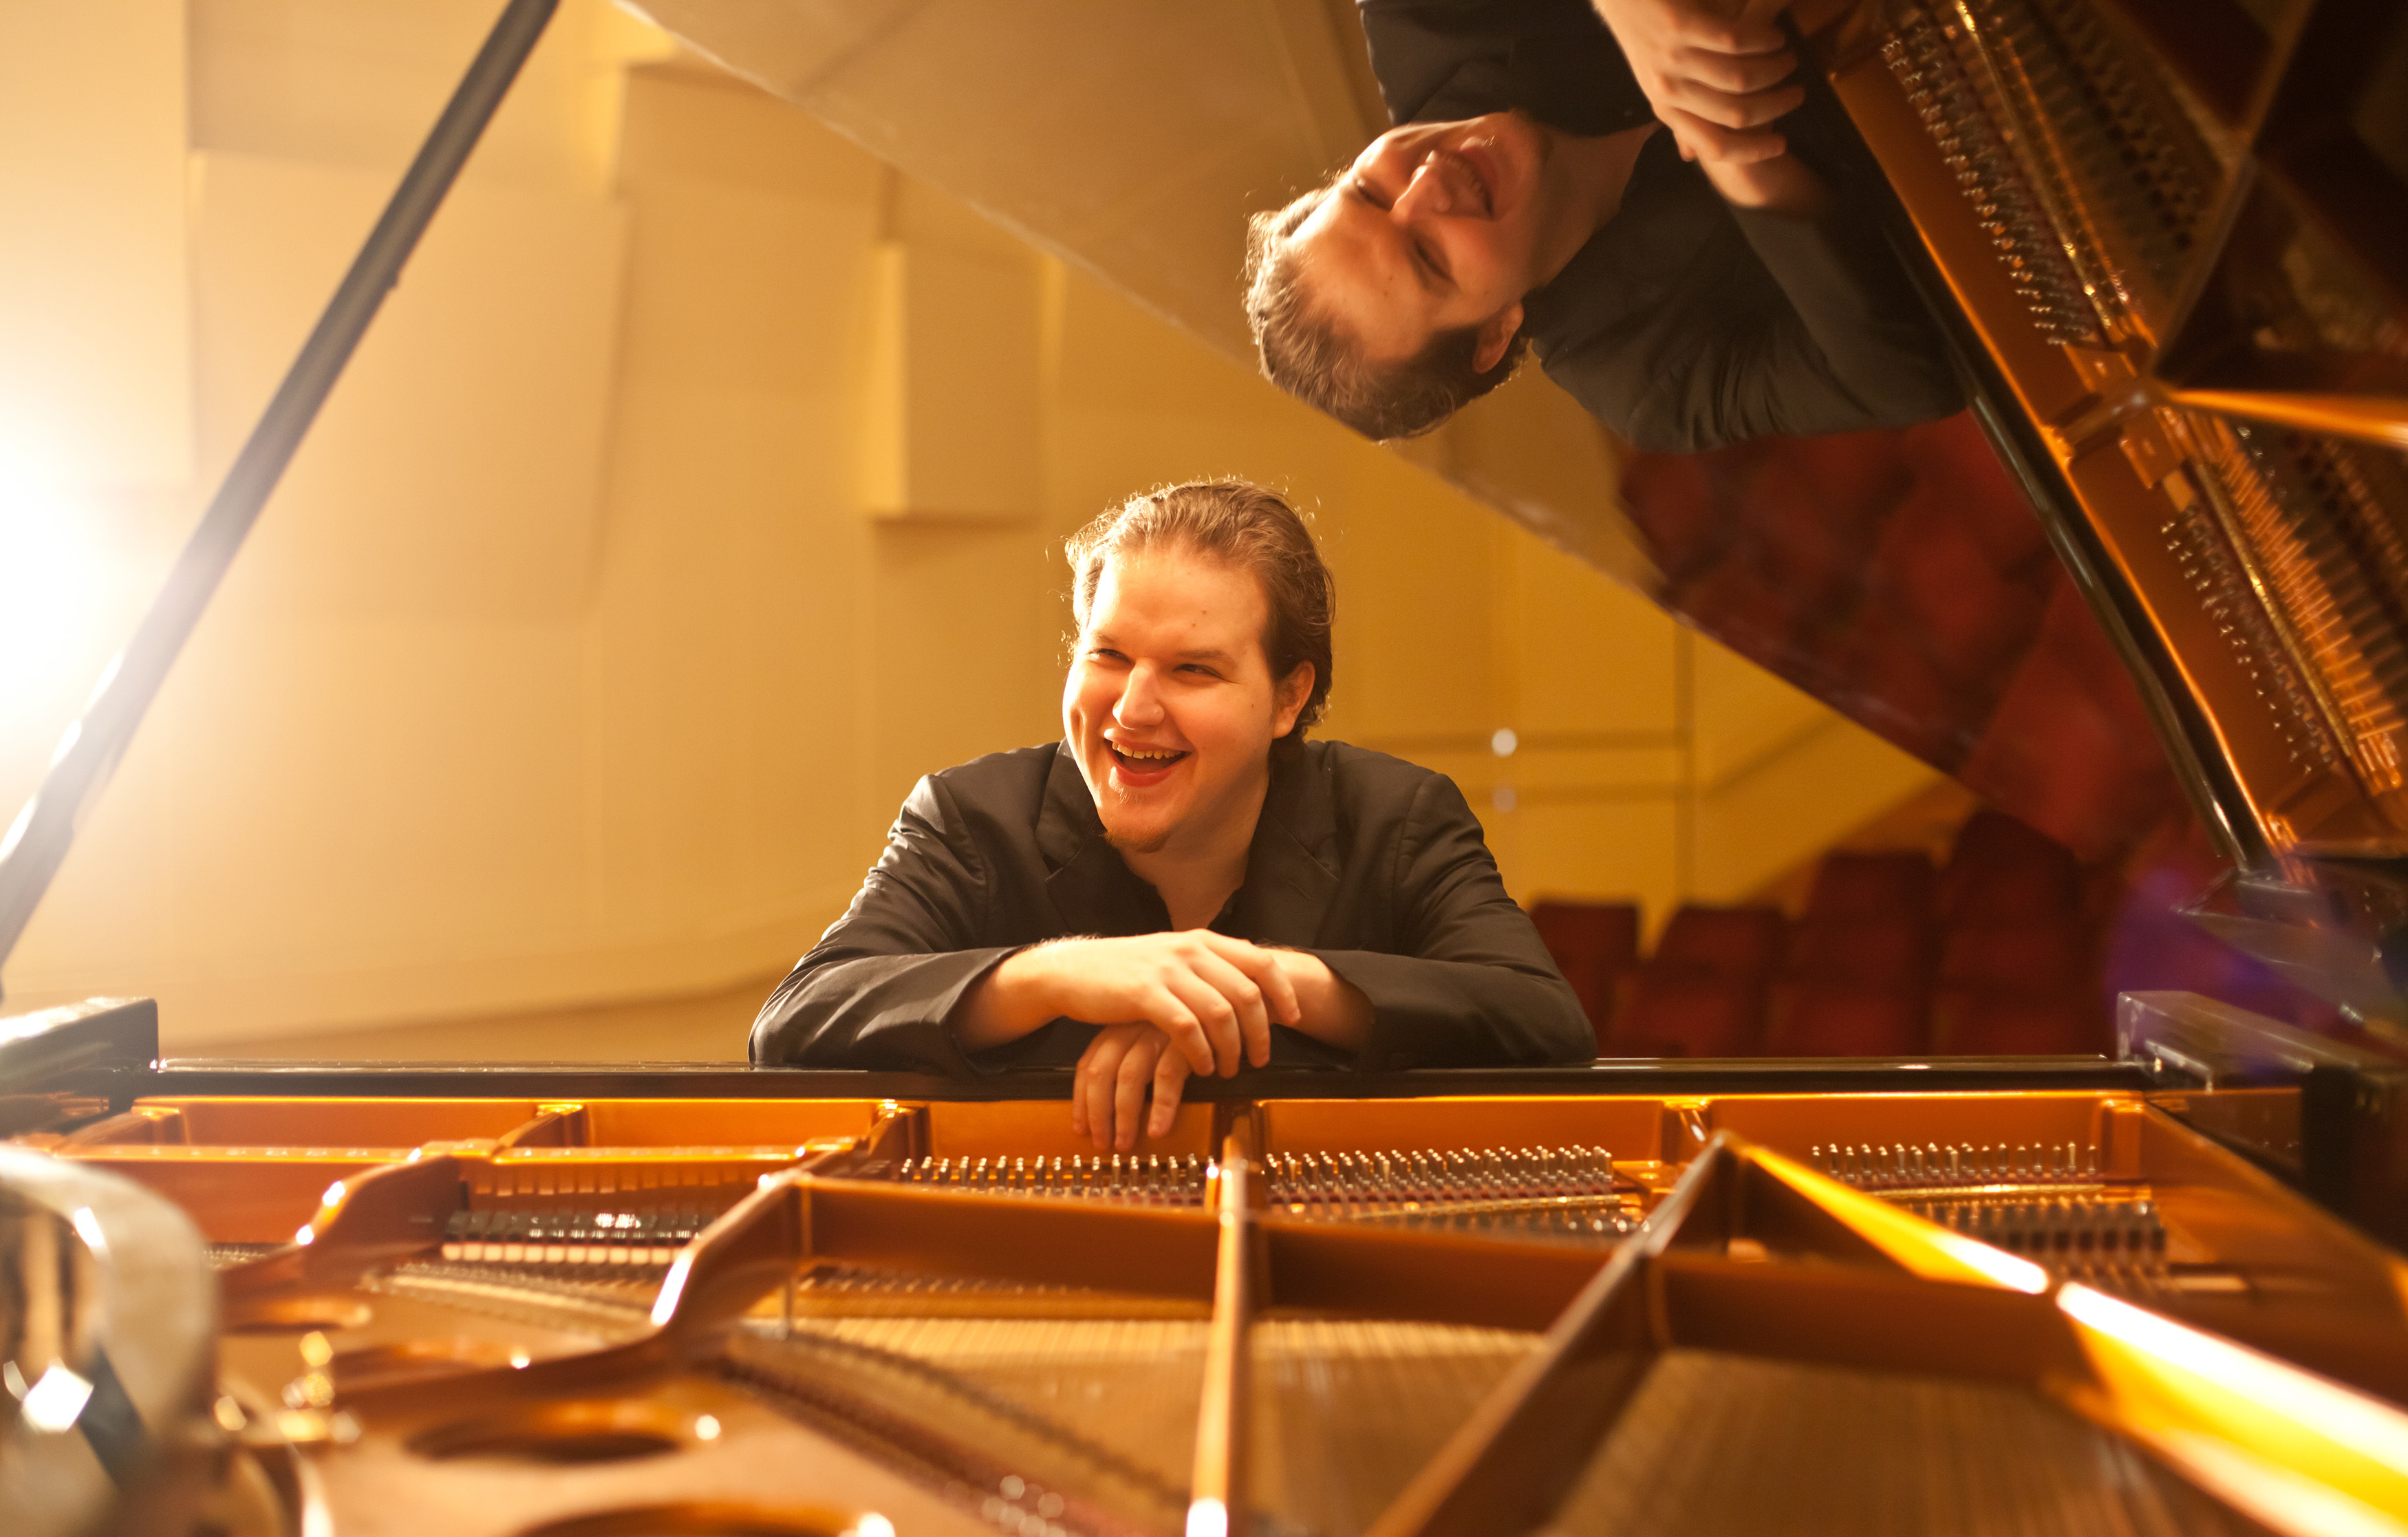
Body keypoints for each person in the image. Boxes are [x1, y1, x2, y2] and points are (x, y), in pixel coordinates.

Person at [751, 480, 1593, 1150]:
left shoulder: (1395, 816)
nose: (1133, 708)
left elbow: (1542, 1021)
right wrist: (1054, 976)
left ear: (1287, 698)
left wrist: (1260, 994)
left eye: (1192, 669)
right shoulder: (968, 818)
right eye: (1107, 655)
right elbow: (795, 1020)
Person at [1242, 0, 1961, 451]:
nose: (1425, 185)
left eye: (1367, 191)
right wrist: (1722, 142)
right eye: (1428, 256)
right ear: (1493, 333)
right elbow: (1903, 379)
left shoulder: (1420, 17)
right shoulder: (1647, 379)